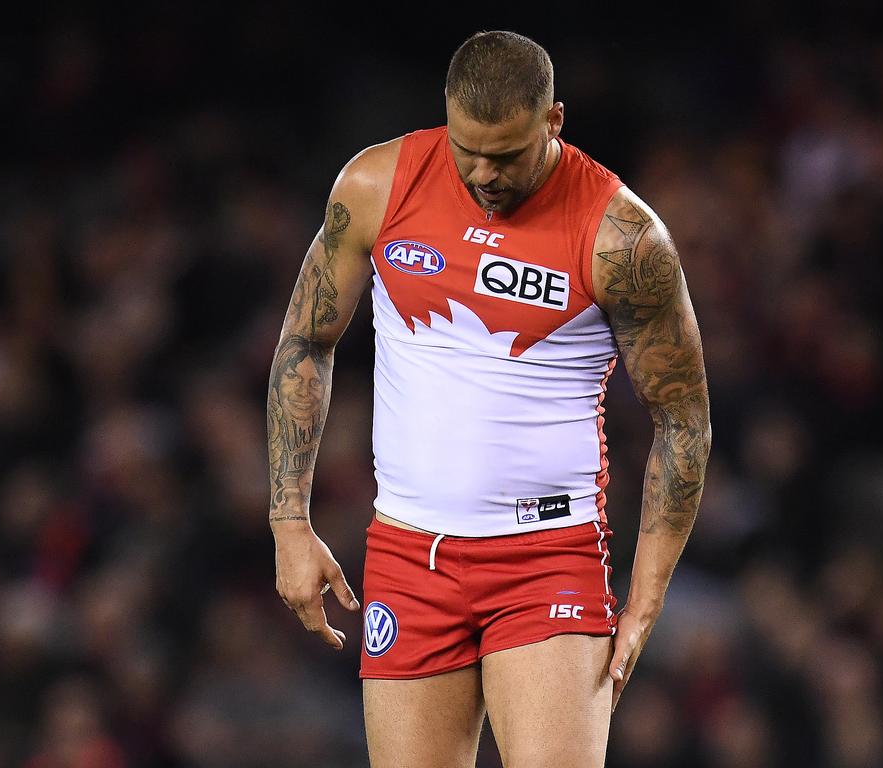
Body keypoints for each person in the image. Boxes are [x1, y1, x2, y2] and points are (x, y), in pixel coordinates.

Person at [268, 30, 711, 768]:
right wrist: (288, 521)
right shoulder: (377, 186)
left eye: (505, 155)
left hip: (548, 557)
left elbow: (682, 419)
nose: (482, 173)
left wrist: (649, 593)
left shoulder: (622, 238)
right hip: (410, 555)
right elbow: (304, 342)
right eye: (466, 149)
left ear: (554, 122)